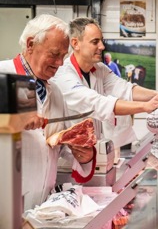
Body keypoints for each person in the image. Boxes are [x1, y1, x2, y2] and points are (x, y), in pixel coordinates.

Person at [0, 14, 96, 211]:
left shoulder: (56, 93)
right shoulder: (3, 76)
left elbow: (63, 146)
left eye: (64, 55)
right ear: (30, 45)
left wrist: (83, 154)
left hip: (42, 208)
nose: (60, 63)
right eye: (54, 54)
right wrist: (12, 119)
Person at [52, 17, 158, 149]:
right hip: (69, 156)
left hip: (93, 151)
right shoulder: (64, 75)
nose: (102, 46)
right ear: (75, 43)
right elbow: (98, 104)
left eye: (101, 41)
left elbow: (125, 89)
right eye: (95, 42)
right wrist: (145, 106)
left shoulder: (99, 69)